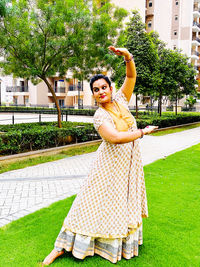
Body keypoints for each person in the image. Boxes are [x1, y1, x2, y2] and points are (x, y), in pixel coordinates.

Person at [42, 46, 158, 265]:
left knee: (120, 205)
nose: (101, 91)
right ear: (94, 95)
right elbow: (114, 137)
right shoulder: (99, 115)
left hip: (128, 165)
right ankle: (60, 247)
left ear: (111, 88)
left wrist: (127, 56)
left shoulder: (122, 100)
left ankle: (115, 244)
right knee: (88, 204)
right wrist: (142, 132)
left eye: (104, 87)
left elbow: (131, 75)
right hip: (107, 167)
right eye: (96, 89)